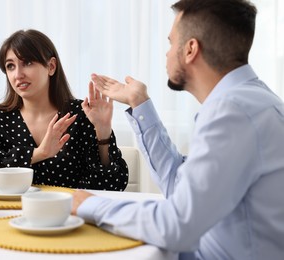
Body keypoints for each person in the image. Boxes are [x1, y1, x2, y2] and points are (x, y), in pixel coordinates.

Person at [72, 0, 284, 259]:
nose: (167, 53)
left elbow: (176, 224)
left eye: (171, 43)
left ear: (191, 49)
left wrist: (91, 205)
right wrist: (139, 103)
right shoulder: (252, 100)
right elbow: (179, 186)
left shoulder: (232, 113)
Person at [0, 29, 128, 191]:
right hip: (11, 214)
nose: (18, 74)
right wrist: (37, 153)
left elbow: (114, 185)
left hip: (70, 214)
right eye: (10, 66)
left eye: (27, 63)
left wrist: (104, 132)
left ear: (51, 66)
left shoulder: (83, 114)